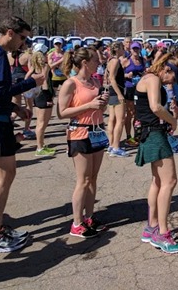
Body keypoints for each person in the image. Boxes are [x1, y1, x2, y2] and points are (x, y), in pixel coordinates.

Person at [0, 16, 45, 254]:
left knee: (3, 175)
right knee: (4, 176)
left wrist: (15, 107)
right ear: (10, 33)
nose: (24, 44)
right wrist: (29, 83)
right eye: (23, 38)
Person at [58, 47, 110, 239]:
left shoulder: (95, 81)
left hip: (97, 131)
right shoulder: (70, 84)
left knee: (93, 178)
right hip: (79, 132)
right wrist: (89, 105)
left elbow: (98, 106)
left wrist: (102, 102)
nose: (99, 62)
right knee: (83, 179)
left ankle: (89, 217)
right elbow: (61, 113)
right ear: (85, 63)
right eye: (96, 60)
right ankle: (76, 222)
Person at [135, 53, 178, 254]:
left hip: (151, 132)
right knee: (169, 181)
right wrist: (172, 119)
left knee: (157, 181)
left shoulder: (147, 77)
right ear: (167, 69)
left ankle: (152, 225)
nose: (173, 82)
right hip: (154, 133)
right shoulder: (153, 79)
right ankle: (162, 233)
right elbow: (155, 106)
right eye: (174, 77)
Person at [26, 43, 56, 156]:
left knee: (40, 122)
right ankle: (39, 147)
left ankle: (41, 145)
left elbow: (26, 77)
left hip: (37, 95)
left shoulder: (33, 67)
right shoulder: (45, 66)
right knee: (42, 123)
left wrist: (31, 88)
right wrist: (48, 96)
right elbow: (44, 82)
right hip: (44, 95)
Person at [122, 42, 146, 149]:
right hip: (130, 88)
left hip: (140, 89)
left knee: (138, 113)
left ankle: (137, 135)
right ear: (130, 50)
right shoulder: (126, 61)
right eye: (134, 49)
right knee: (130, 113)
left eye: (137, 49)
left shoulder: (142, 60)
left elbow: (145, 71)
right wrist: (127, 75)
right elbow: (116, 75)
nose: (135, 51)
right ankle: (128, 136)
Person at [106, 41, 128, 157]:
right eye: (123, 47)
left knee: (112, 119)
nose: (124, 49)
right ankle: (115, 146)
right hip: (116, 91)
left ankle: (111, 144)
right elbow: (112, 79)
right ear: (118, 48)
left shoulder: (110, 60)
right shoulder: (114, 61)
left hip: (113, 91)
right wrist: (120, 94)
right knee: (120, 120)